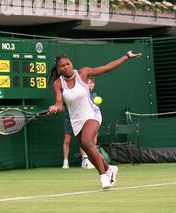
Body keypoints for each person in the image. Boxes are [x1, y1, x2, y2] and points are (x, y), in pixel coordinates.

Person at [49, 50, 142, 189]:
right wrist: (55, 108)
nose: (66, 67)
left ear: (71, 63)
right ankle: (110, 169)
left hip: (91, 114)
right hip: (76, 120)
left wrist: (127, 56)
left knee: (87, 141)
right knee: (87, 147)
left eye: (68, 64)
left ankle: (103, 176)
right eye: (62, 66)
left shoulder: (83, 73)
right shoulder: (58, 83)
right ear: (58, 69)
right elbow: (59, 104)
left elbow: (107, 68)